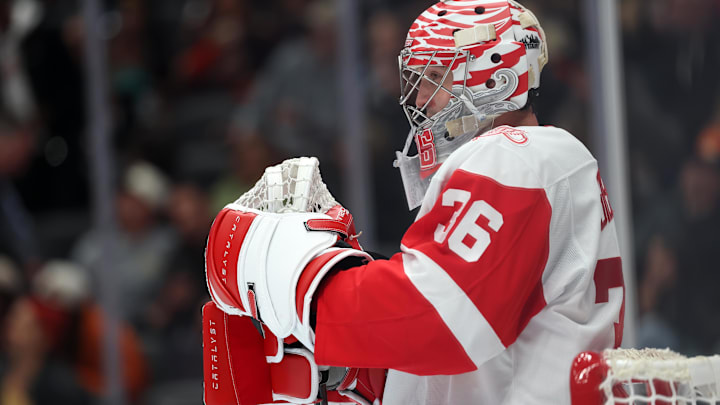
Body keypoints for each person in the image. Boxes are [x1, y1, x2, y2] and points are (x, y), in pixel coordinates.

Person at [204, 1, 624, 404]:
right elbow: (481, 325)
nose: (420, 99)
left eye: (436, 76)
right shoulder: (545, 160)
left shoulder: (513, 158)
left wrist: (305, 279)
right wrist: (379, 369)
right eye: (418, 79)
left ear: (496, 80)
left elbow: (436, 320)